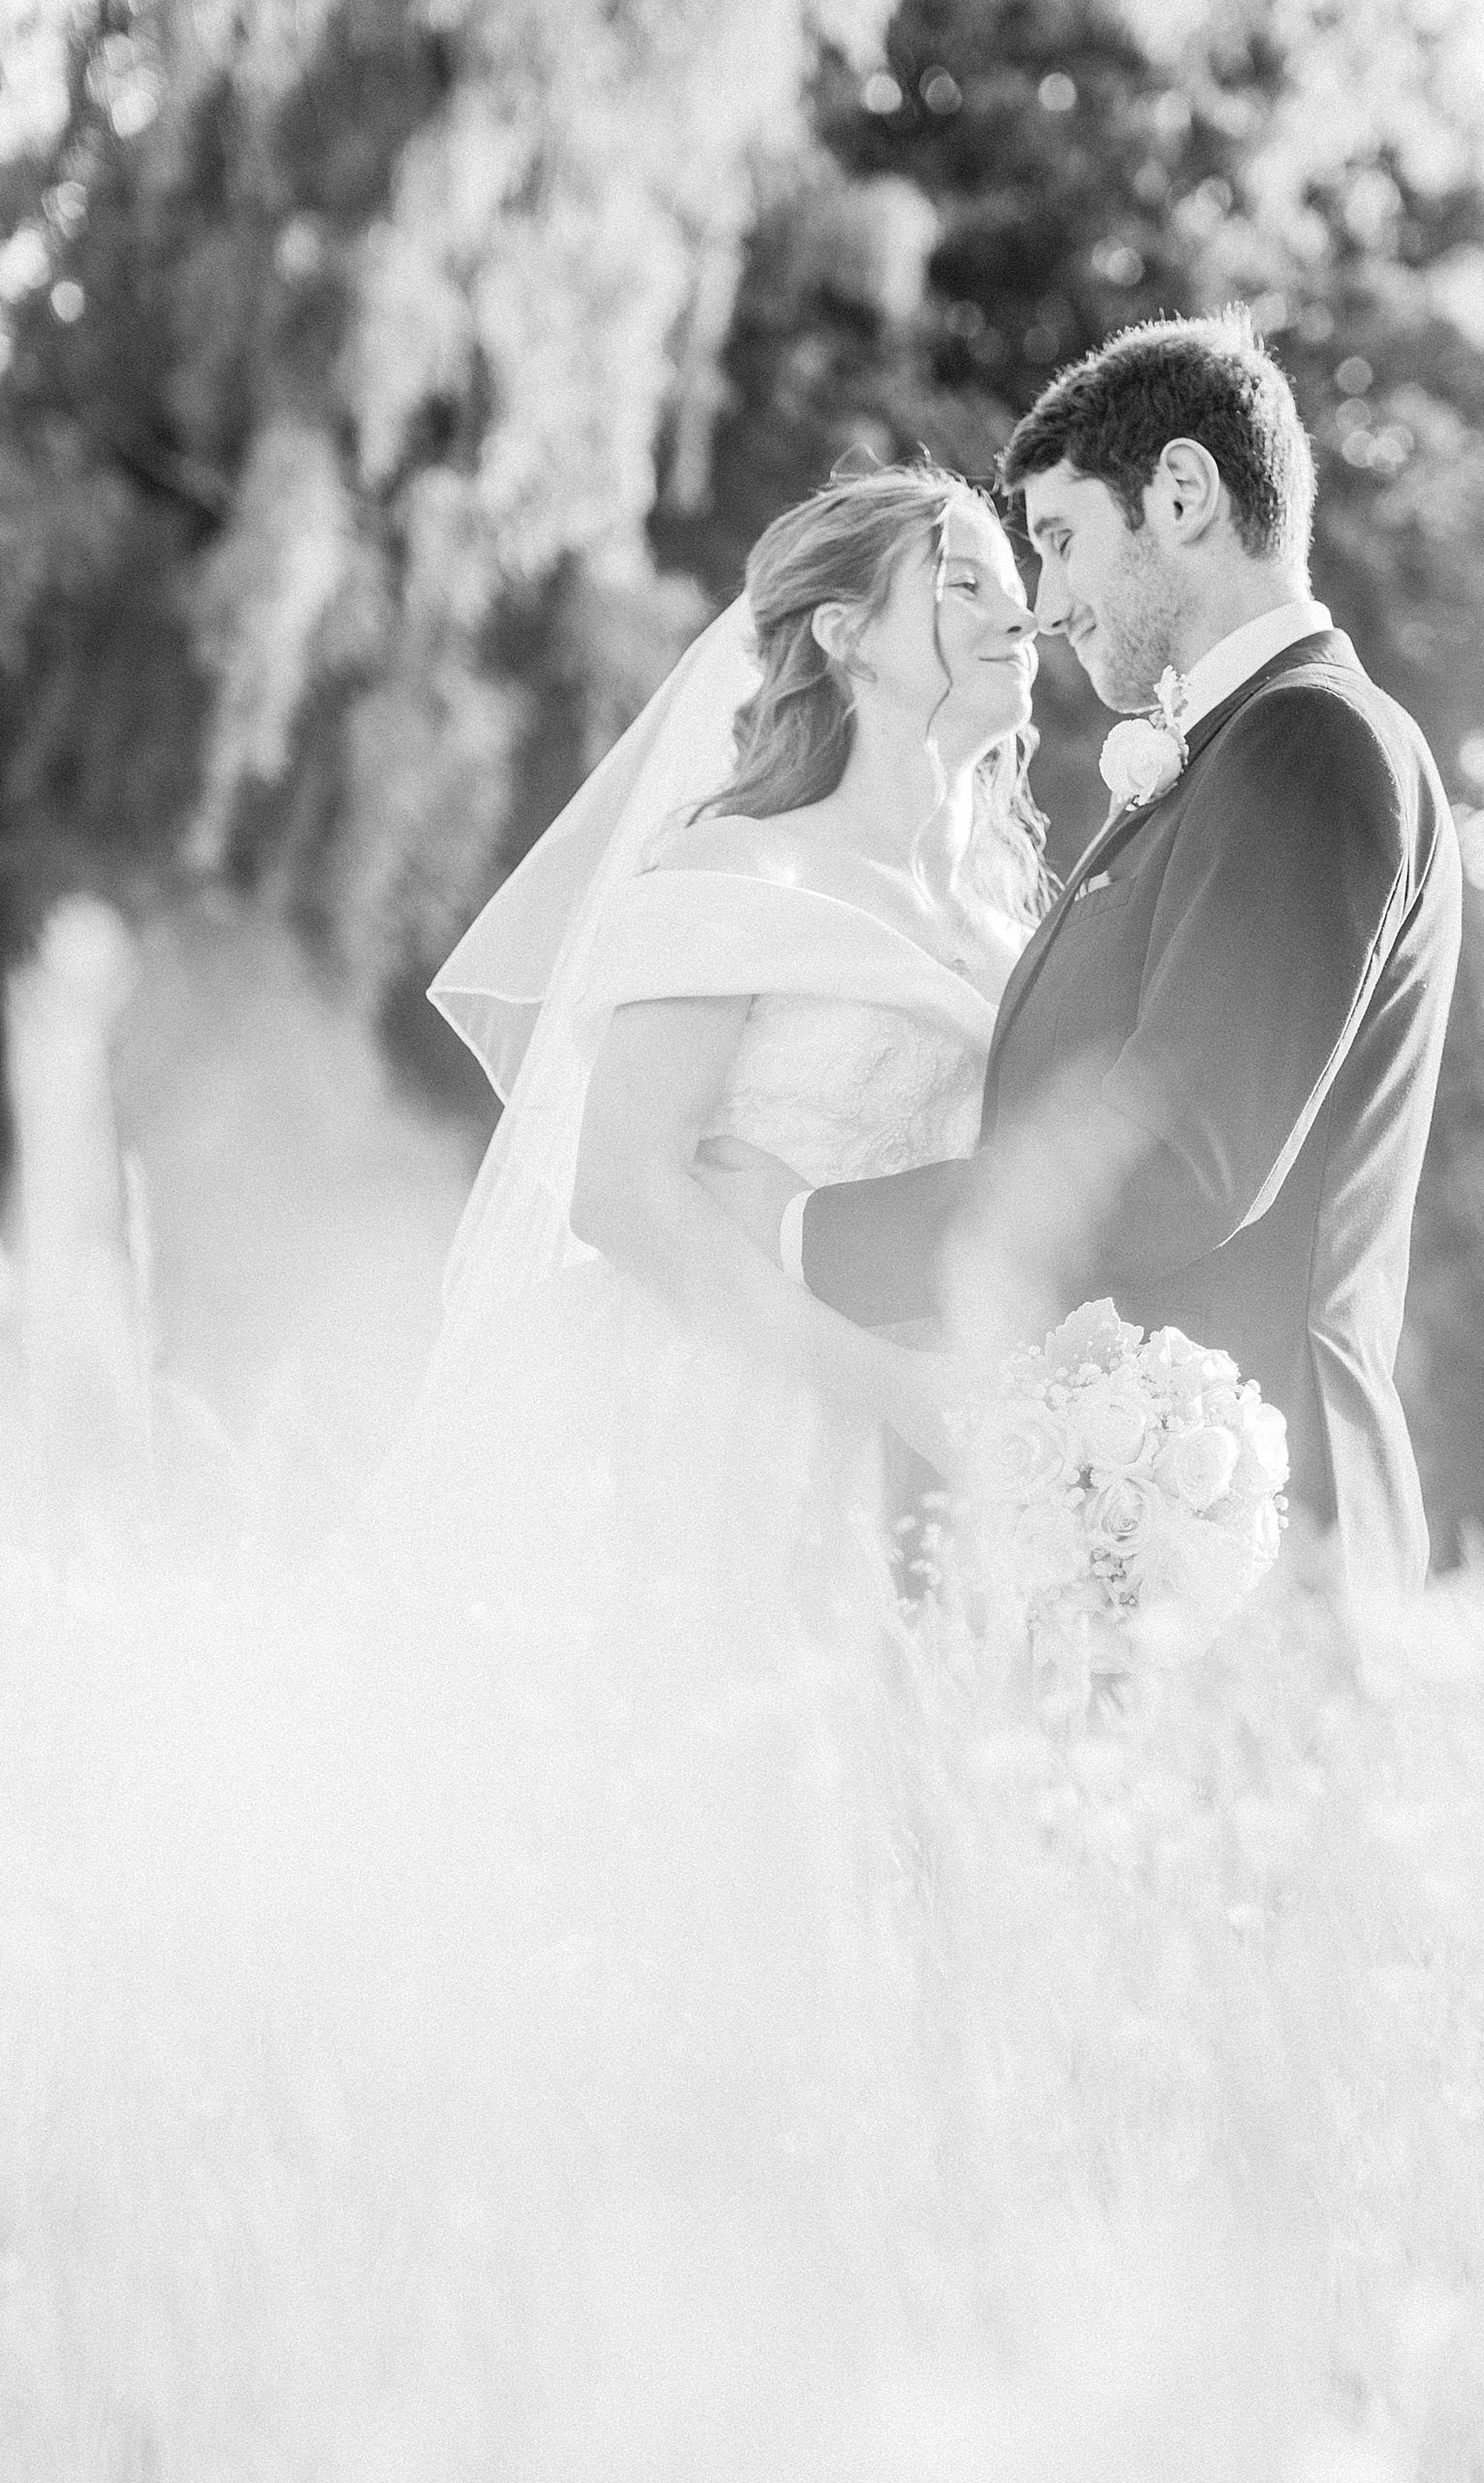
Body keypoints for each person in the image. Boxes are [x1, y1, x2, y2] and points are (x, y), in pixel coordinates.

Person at [708, 314, 1463, 1615]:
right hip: (1135, 1542)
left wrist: (803, 1226)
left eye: (1059, 542)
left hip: (1251, 1552)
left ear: (1180, 494)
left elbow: (1180, 1162)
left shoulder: (1309, 746)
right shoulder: (1231, 756)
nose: (1045, 607)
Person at [369, 462, 1042, 1668]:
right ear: (845, 635)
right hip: (703, 1417)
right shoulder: (738, 868)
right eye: (963, 586)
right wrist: (889, 1385)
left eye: (1017, 587)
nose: (1019, 616)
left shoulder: (1018, 938)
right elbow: (621, 1191)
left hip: (918, 1461)